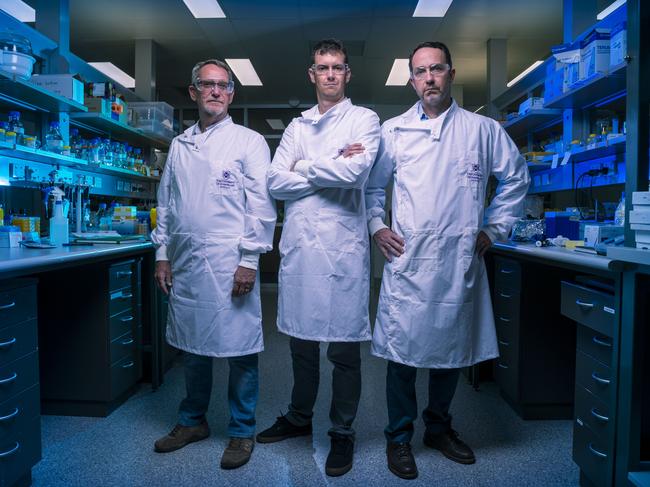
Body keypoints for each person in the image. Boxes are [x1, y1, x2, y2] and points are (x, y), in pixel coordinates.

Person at [365, 41, 530, 480]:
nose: (429, 79)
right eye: (420, 72)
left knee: (450, 350)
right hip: (408, 258)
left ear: (451, 73)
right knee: (402, 355)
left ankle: (438, 427)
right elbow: (369, 188)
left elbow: (516, 177)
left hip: (458, 258)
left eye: (436, 69)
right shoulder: (393, 130)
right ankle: (398, 437)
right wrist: (377, 226)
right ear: (412, 80)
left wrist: (493, 228)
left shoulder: (481, 130)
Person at [258, 39, 380, 477]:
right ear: (311, 75)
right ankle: (298, 416)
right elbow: (275, 182)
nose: (330, 74)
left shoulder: (364, 119)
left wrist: (305, 167)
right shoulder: (297, 126)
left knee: (345, 352)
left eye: (337, 68)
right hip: (303, 251)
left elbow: (357, 173)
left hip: (343, 252)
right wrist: (327, 165)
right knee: (301, 346)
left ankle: (342, 433)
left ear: (348, 74)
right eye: (322, 68)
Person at [151, 59, 276, 470]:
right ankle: (192, 421)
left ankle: (241, 431)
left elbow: (261, 207)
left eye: (224, 86)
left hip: (230, 261)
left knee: (239, 349)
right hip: (186, 262)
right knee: (193, 347)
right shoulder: (180, 145)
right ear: (194, 92)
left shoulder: (248, 142)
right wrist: (163, 254)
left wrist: (249, 260)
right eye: (208, 85)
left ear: (232, 94)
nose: (216, 92)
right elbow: (166, 205)